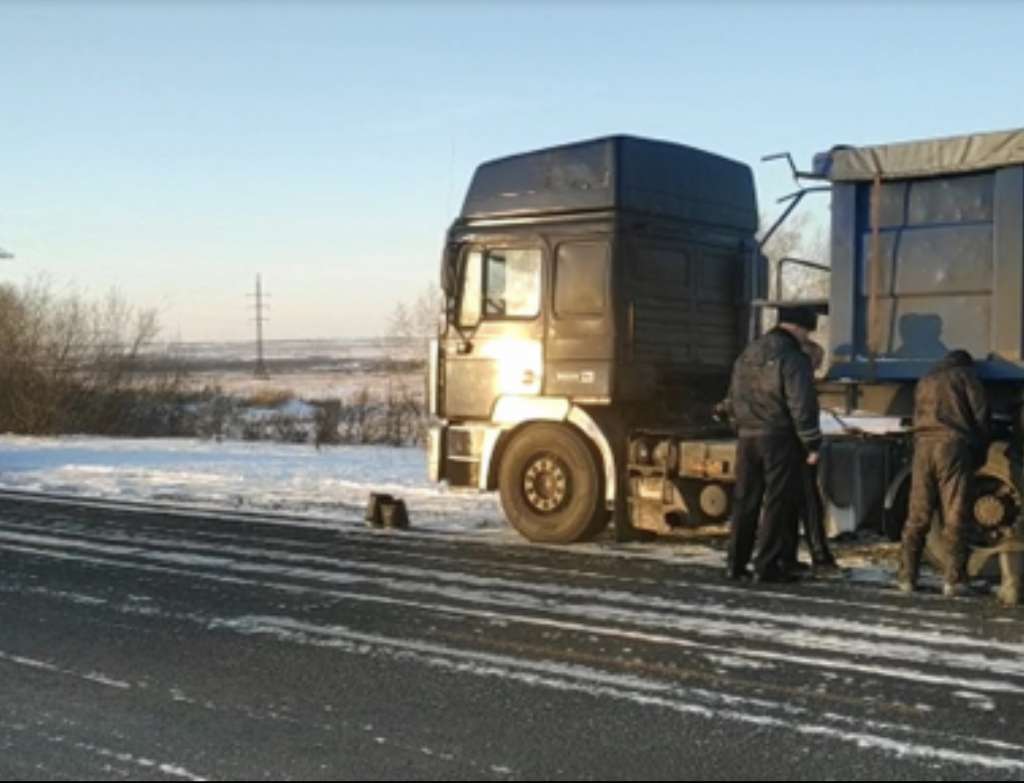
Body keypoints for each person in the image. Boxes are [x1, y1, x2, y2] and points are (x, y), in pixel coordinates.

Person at [725, 306, 823, 583]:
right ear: (800, 328)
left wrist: (740, 426)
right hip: (778, 436)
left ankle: (735, 563)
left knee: (745, 501)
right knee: (777, 502)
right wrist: (811, 443)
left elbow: (732, 397)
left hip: (747, 437)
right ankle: (767, 565)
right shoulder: (793, 358)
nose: (807, 337)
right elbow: (801, 404)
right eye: (807, 331)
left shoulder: (748, 353)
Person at [898, 349, 990, 597]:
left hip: (922, 447)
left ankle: (907, 577)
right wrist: (981, 448)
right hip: (952, 446)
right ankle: (954, 580)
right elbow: (980, 413)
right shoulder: (966, 376)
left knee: (918, 513)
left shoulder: (926, 379)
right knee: (955, 512)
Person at [781, 339, 839, 575]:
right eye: (816, 363)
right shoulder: (799, 380)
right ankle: (820, 555)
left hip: (786, 445)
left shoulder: (782, 376)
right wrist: (811, 446)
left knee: (791, 503)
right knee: (809, 503)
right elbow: (803, 414)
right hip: (799, 446)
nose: (816, 368)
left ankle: (788, 554)